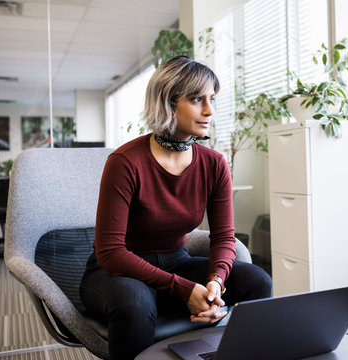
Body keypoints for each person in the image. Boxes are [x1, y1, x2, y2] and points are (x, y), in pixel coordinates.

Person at [80, 55, 273, 360]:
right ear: (168, 103)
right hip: (116, 273)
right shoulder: (125, 162)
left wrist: (215, 282)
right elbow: (110, 251)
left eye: (212, 99)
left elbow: (224, 238)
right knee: (135, 301)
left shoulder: (214, 163)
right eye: (197, 99)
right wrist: (184, 289)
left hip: (176, 262)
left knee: (257, 281)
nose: (209, 110)